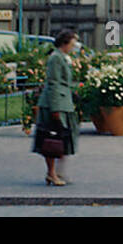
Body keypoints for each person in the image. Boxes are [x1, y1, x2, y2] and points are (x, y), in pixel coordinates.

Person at [33, 30, 80, 185]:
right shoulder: (55, 58)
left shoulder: (64, 58)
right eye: (72, 44)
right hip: (55, 104)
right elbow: (53, 83)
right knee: (52, 139)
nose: (74, 47)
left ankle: (58, 172)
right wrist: (55, 108)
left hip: (64, 103)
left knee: (64, 139)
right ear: (64, 43)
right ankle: (51, 173)